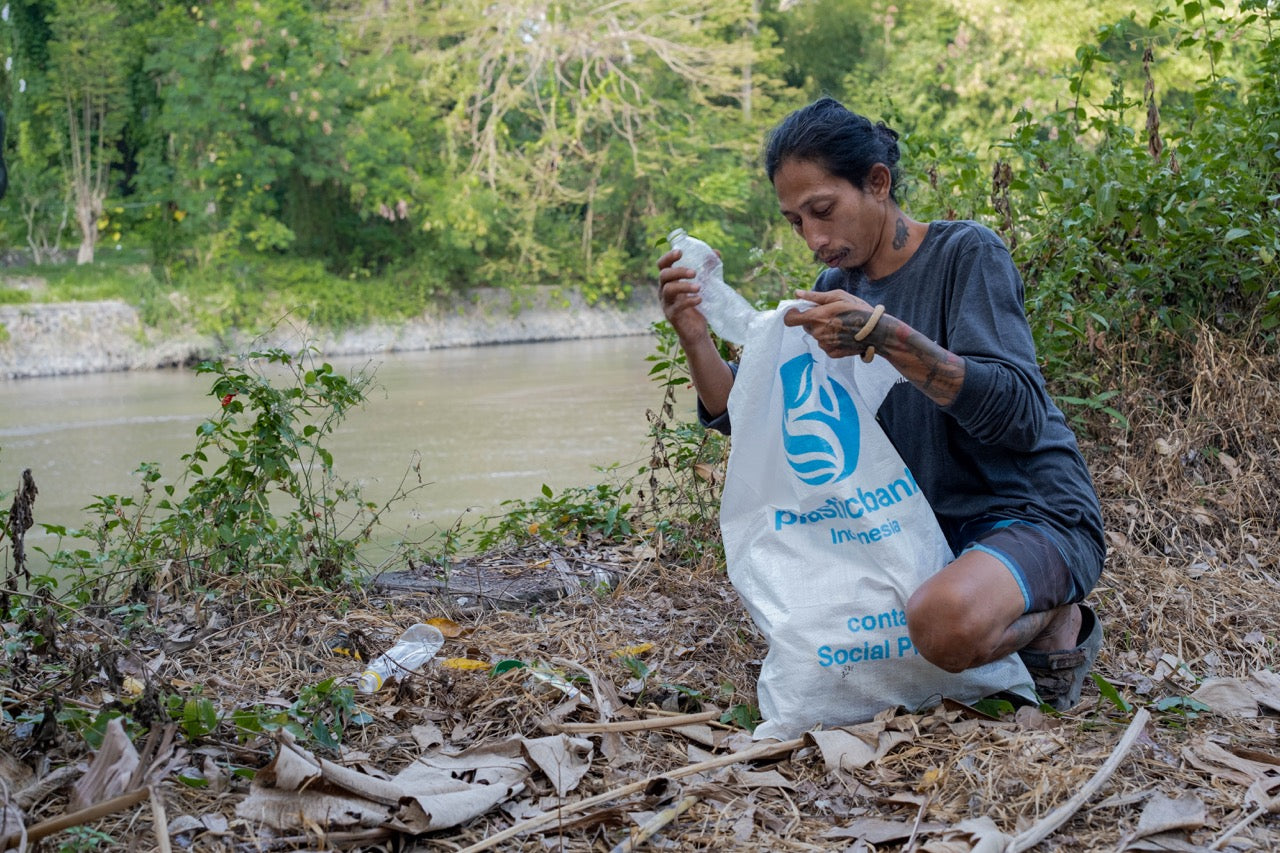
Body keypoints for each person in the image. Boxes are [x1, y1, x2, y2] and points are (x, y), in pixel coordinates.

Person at [656, 97, 1106, 711]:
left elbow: (1020, 413)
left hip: (1030, 513)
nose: (815, 238)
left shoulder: (965, 254)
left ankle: (1059, 621)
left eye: (823, 210)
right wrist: (695, 335)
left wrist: (887, 337)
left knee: (942, 625)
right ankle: (977, 609)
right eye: (795, 222)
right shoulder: (832, 291)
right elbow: (758, 423)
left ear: (876, 183)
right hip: (920, 528)